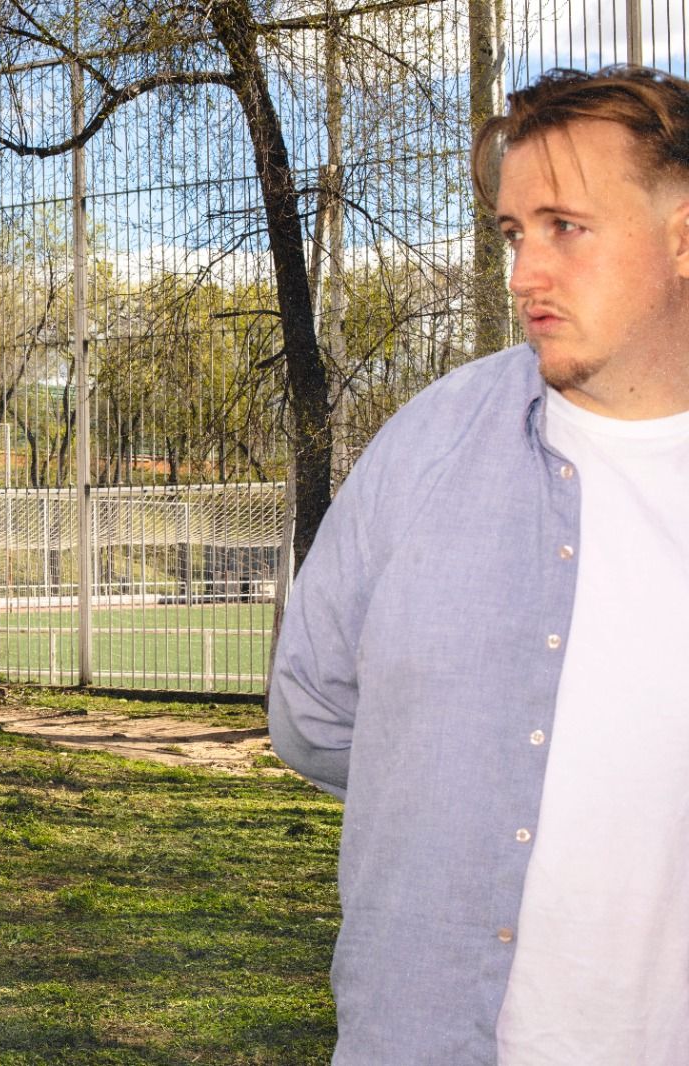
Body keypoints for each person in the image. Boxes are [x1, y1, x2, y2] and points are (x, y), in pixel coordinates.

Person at [269, 64, 689, 1064]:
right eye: (511, 234)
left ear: (682, 236)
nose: (522, 275)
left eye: (564, 227)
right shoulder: (430, 443)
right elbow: (313, 712)